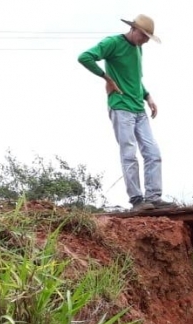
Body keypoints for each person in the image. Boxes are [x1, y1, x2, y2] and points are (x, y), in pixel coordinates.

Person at [78, 14, 173, 211]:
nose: (146, 40)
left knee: (153, 152)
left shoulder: (138, 49)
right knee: (129, 153)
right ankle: (137, 200)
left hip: (138, 107)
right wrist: (107, 78)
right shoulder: (113, 43)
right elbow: (85, 57)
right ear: (134, 29)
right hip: (121, 106)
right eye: (144, 35)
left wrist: (148, 96)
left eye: (148, 37)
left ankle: (153, 197)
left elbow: (135, 78)